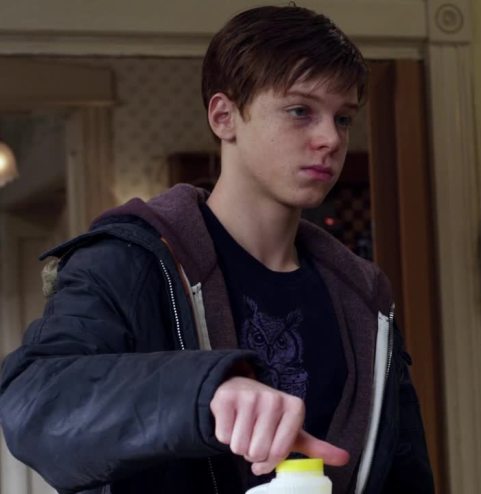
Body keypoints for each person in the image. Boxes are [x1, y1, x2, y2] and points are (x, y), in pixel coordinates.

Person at [0, 5, 434, 494]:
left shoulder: (363, 294)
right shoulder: (129, 261)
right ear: (224, 116)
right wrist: (204, 392)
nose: (330, 138)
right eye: (300, 111)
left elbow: (404, 475)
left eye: (344, 118)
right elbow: (34, 403)